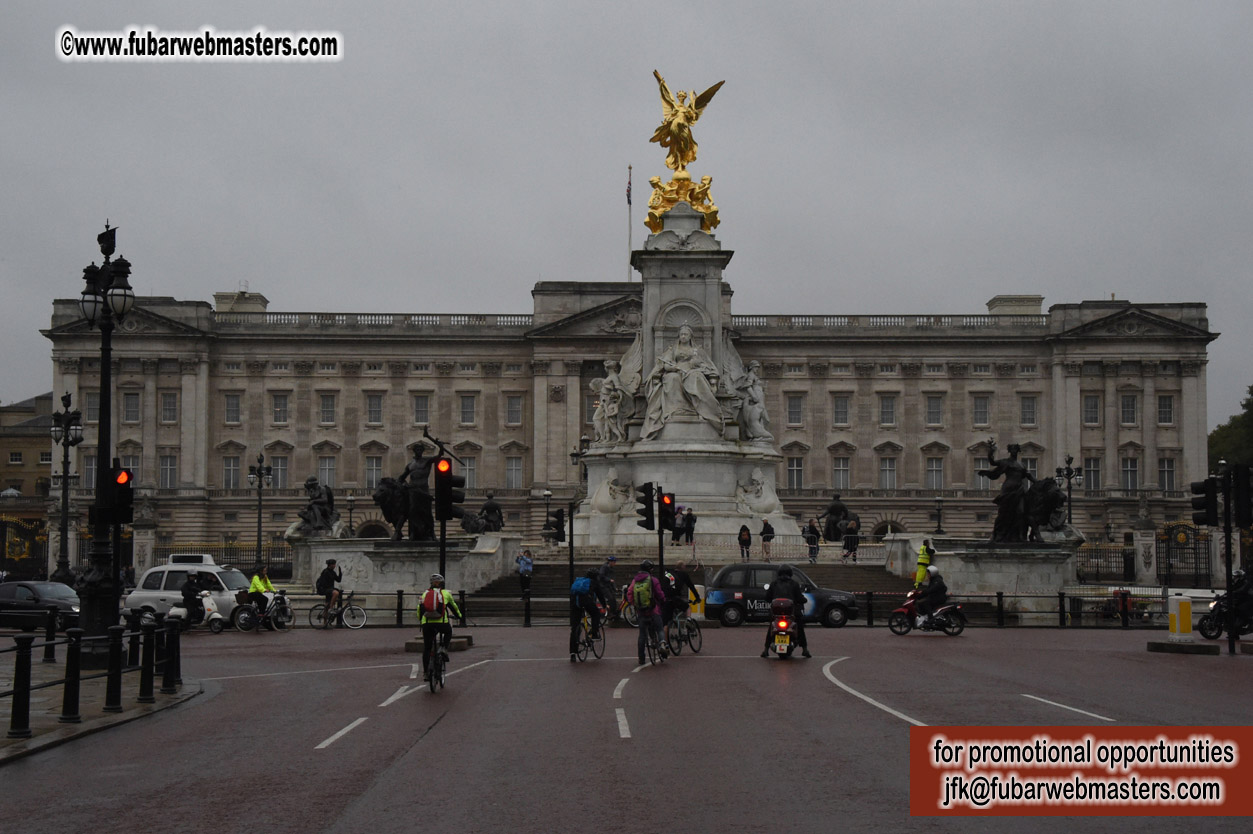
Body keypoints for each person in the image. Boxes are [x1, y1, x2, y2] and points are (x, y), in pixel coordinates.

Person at [642, 324, 723, 439]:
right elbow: (665, 364)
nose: (683, 336)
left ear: (690, 336)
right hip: (676, 371)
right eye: (681, 334)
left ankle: (701, 409)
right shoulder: (673, 349)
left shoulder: (697, 350)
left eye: (686, 334)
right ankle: (675, 411)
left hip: (693, 371)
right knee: (672, 378)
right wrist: (673, 368)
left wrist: (697, 366)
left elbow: (706, 364)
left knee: (696, 377)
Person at [977, 439, 1036, 543]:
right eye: (1012, 449)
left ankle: (1020, 536)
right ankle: (997, 533)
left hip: (1019, 490)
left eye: (1015, 449)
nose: (1013, 451)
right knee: (1004, 513)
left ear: (1017, 451)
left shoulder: (1021, 465)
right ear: (1010, 451)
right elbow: (993, 462)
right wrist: (990, 451)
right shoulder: (1006, 462)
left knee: (1021, 512)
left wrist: (1039, 483)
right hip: (1008, 490)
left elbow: (1028, 476)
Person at [419, 573, 462, 681]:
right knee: (448, 631)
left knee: (427, 648)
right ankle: (443, 648)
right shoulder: (445, 594)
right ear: (441, 584)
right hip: (441, 623)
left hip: (427, 623)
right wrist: (460, 616)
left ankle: (425, 673)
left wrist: (421, 620)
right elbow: (454, 607)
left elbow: (419, 610)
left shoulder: (425, 594)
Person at [762, 565, 810, 658]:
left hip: (777, 613)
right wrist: (803, 600)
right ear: (790, 574)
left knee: (771, 628)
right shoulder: (794, 584)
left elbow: (767, 598)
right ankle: (805, 649)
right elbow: (800, 598)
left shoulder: (774, 584)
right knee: (800, 627)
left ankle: (765, 650)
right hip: (791, 613)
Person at [627, 560, 668, 665]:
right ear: (650, 569)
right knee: (659, 629)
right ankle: (662, 644)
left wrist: (635, 604)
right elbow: (659, 593)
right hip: (653, 610)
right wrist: (663, 601)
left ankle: (641, 658)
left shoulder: (635, 581)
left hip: (641, 611)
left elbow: (630, 593)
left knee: (642, 635)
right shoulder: (653, 580)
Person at [569, 568, 610, 661]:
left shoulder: (579, 581)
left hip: (574, 603)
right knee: (596, 614)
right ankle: (594, 633)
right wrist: (604, 606)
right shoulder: (594, 582)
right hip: (586, 602)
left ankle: (572, 653)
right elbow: (600, 595)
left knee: (574, 628)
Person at [661, 560, 702, 626]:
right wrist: (697, 597)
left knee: (666, 623)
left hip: (667, 599)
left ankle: (666, 635)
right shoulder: (684, 574)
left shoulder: (669, 574)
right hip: (676, 598)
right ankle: (688, 620)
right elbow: (691, 586)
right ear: (682, 567)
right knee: (688, 608)